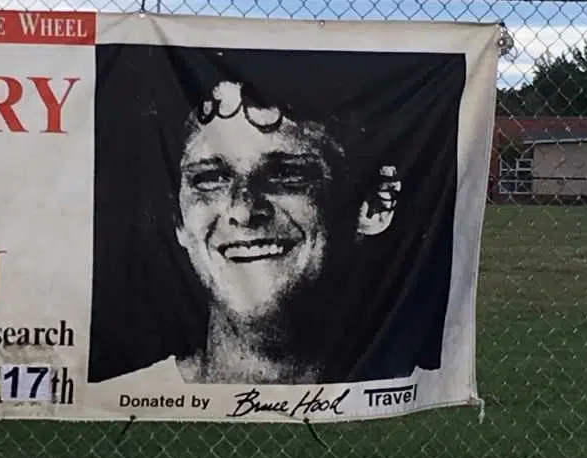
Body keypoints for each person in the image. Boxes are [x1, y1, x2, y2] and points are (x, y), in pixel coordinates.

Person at [139, 78, 403, 386]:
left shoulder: (411, 399)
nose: (244, 210)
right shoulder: (127, 398)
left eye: (286, 174)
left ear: (372, 206)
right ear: (178, 220)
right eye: (210, 178)